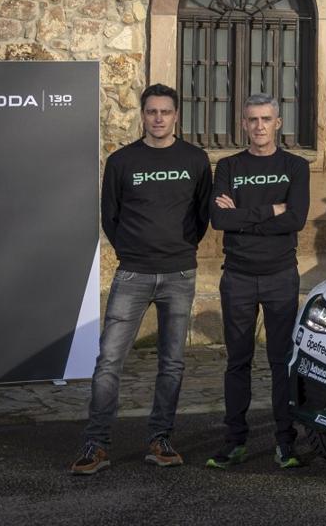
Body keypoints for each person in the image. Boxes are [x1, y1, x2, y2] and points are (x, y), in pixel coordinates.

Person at [71, 84, 212, 475]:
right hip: (132, 273)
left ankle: (160, 438)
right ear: (143, 115)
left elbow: (201, 217)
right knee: (109, 361)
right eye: (152, 111)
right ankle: (96, 445)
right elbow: (110, 216)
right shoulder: (121, 161)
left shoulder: (196, 159)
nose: (159, 118)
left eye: (165, 111)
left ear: (176, 115)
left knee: (172, 363)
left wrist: (178, 249)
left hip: (179, 273)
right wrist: (133, 251)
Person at [206, 94, 311, 470]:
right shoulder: (228, 166)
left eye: (266, 119)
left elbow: (295, 219)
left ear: (278, 123)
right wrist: (270, 210)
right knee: (238, 361)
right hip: (237, 276)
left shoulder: (296, 167)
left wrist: (244, 215)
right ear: (244, 124)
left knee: (281, 361)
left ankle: (286, 442)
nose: (260, 126)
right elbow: (219, 222)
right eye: (252, 119)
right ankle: (235, 441)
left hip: (281, 275)